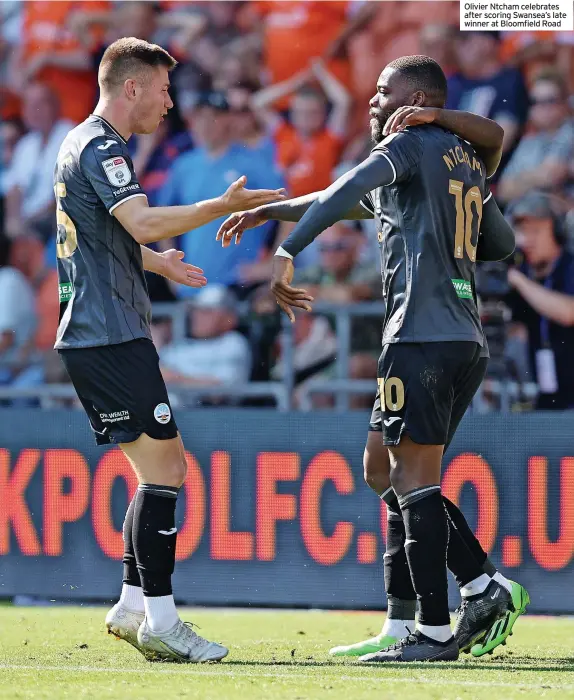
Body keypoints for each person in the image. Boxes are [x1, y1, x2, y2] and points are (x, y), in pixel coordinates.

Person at [217, 56, 527, 663]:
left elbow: (351, 188)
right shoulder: (456, 158)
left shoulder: (410, 144)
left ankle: (439, 627)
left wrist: (288, 246)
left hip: (421, 336)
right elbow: (502, 242)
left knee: (412, 479)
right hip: (461, 338)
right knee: (382, 468)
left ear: (413, 100)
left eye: (382, 91)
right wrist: (274, 208)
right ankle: (429, 608)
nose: (371, 101)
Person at [53, 37, 284, 663]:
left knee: (156, 472)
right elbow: (143, 220)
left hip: (98, 331)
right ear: (131, 87)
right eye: (161, 89)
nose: (169, 101)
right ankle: (160, 618)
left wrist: (156, 264)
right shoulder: (104, 147)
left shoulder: (79, 142)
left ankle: (133, 607)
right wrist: (220, 206)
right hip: (110, 333)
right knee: (169, 472)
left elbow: (101, 234)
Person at [157, 90, 284, 296]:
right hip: (192, 286)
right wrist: (167, 265)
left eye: (214, 116)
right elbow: (162, 216)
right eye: (200, 117)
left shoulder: (252, 163)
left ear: (228, 119)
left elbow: (291, 210)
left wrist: (274, 262)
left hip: (237, 284)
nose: (206, 124)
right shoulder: (184, 166)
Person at [505, 193, 574, 410]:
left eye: (536, 231)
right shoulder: (519, 270)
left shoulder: (570, 267)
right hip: (540, 399)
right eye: (522, 231)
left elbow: (568, 312)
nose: (527, 240)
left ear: (557, 232)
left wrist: (519, 281)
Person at [4, 83, 73, 242]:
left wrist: (27, 223)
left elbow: (65, 194)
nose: (34, 111)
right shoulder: (26, 144)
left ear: (55, 106)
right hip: (26, 226)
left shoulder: (71, 136)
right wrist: (12, 221)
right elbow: (14, 188)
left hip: (56, 223)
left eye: (41, 104)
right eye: (28, 105)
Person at [498, 72, 574, 204]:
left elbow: (553, 175)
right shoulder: (528, 143)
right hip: (524, 218)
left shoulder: (569, 132)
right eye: (535, 102)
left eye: (549, 101)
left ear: (564, 103)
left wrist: (521, 180)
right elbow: (503, 191)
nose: (542, 108)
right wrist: (537, 176)